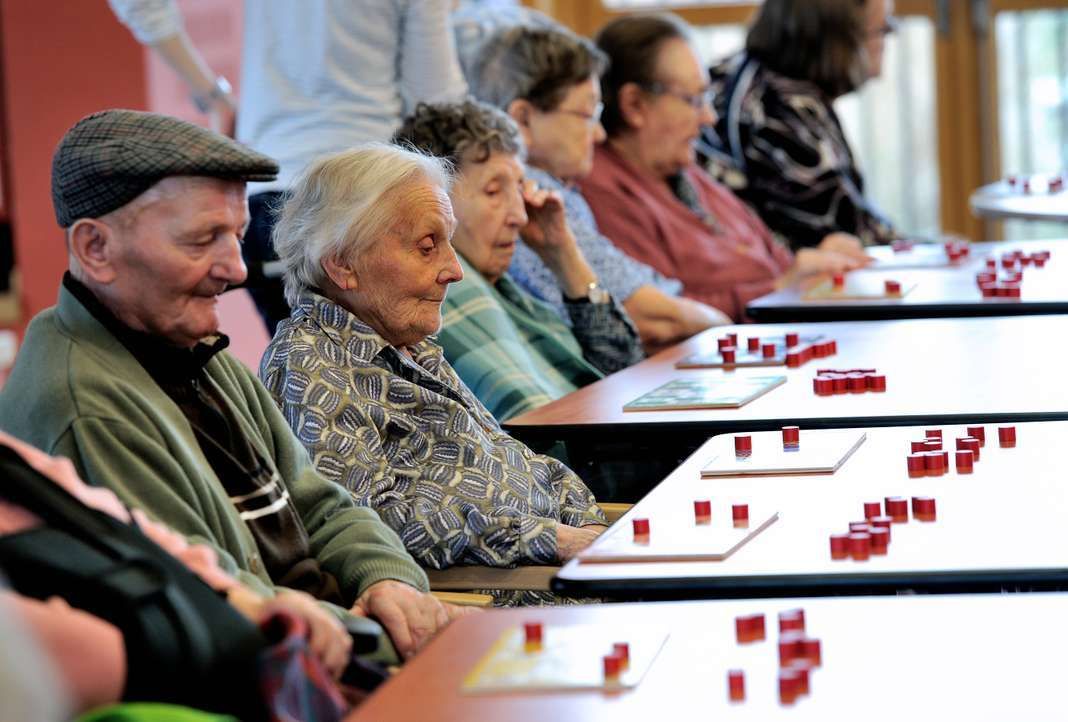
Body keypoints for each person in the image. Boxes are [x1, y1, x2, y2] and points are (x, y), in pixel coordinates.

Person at [0, 109, 460, 663]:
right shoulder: (83, 406)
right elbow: (215, 606)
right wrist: (392, 637)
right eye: (202, 240)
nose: (237, 269)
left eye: (237, 236)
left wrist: (388, 581)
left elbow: (322, 505)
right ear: (96, 249)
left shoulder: (190, 346)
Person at [259, 142, 608, 605]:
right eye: (427, 247)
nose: (454, 270)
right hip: (501, 611)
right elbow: (365, 524)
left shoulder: (408, 346)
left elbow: (510, 458)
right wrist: (551, 539)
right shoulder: (311, 364)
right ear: (343, 264)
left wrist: (585, 523)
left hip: (569, 574)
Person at [109, 0, 468, 334]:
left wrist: (213, 96)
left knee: (309, 378)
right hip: (368, 205)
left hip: (271, 199)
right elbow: (437, 100)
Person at [0, 430, 357, 719]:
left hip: (259, 666)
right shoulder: (86, 407)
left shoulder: (11, 456)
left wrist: (250, 603)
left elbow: (135, 530)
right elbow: (89, 658)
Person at [579, 13, 872, 322]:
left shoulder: (684, 170)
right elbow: (663, 314)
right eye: (693, 100)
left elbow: (776, 261)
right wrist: (776, 289)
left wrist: (817, 260)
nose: (709, 117)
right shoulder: (603, 190)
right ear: (634, 105)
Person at [468, 23, 731, 353]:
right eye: (586, 115)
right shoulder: (533, 199)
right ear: (522, 120)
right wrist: (723, 326)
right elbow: (650, 316)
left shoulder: (563, 191)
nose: (599, 135)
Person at [394, 99, 642, 420]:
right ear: (436, 203)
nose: (520, 216)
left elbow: (624, 361)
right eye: (494, 192)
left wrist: (564, 254)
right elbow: (544, 430)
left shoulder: (507, 291)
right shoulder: (443, 301)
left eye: (521, 188)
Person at [702, 0, 899, 249]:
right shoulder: (776, 111)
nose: (889, 39)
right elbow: (852, 238)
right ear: (837, 35)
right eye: (883, 29)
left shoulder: (745, 75)